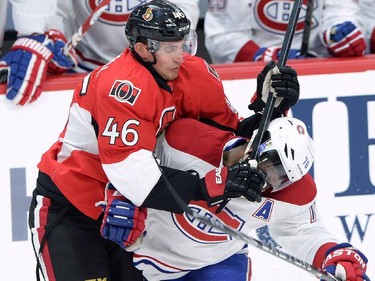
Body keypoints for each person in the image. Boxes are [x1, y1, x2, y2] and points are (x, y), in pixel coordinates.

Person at [27, 1, 300, 280]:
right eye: (171, 49)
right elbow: (136, 178)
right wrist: (215, 183)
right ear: (144, 49)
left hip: (134, 215)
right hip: (75, 209)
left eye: (185, 44)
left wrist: (269, 107)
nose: (181, 56)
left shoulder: (196, 74)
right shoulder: (121, 88)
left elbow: (229, 141)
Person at [100, 117, 370, 281]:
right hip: (153, 261)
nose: (270, 183)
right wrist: (123, 199)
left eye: (283, 178)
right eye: (271, 165)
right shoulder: (186, 142)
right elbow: (133, 167)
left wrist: (331, 255)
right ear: (256, 142)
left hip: (220, 263)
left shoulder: (293, 193)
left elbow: (302, 230)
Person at [0, 0, 200, 106]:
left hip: (149, 72)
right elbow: (58, 8)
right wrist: (48, 34)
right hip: (83, 72)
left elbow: (182, 12)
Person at [204, 0, 367, 64]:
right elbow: (222, 35)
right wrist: (263, 56)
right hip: (256, 80)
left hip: (322, 71)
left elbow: (341, 12)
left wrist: (338, 34)